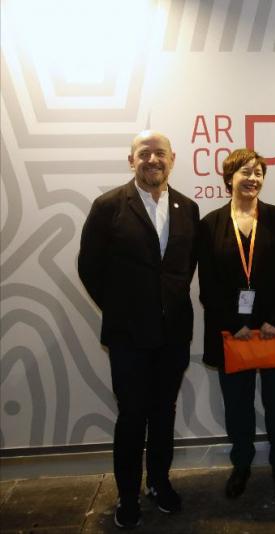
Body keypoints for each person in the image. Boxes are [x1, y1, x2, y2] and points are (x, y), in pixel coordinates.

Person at [78, 130, 199, 529]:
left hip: (173, 335)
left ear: (172, 159)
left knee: (164, 413)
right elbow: (89, 267)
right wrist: (123, 309)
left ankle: (159, 483)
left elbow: (183, 269)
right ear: (131, 161)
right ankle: (127, 495)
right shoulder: (109, 206)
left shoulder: (189, 208)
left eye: (159, 153)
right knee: (132, 417)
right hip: (128, 336)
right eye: (144, 153)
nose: (152, 159)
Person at [198, 149, 275, 500]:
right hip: (232, 334)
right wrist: (233, 323)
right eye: (245, 172)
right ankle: (241, 465)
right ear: (229, 178)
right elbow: (208, 284)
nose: (253, 178)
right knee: (238, 407)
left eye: (258, 172)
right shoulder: (209, 224)